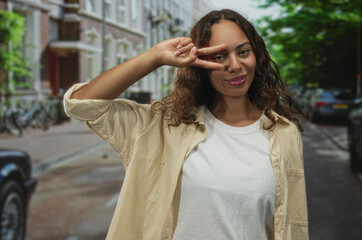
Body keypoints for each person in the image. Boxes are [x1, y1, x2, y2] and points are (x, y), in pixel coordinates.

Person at [64, 9, 309, 240]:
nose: (235, 65)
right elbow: (81, 104)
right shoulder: (164, 125)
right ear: (199, 65)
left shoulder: (285, 133)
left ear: (257, 55)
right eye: (219, 56)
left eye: (243, 51)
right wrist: (155, 56)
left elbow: (294, 224)